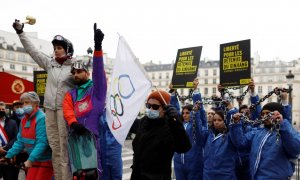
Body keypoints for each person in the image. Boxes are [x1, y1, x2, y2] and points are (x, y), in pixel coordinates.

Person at [12, 19, 75, 180]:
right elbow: (33, 51)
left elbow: (86, 85)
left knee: (64, 147)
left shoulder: (74, 67)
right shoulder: (50, 64)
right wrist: (21, 32)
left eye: (59, 48)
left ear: (68, 49)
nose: (56, 51)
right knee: (55, 147)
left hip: (64, 110)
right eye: (55, 48)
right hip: (50, 109)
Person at [63, 23, 106, 179]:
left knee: (95, 175)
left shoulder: (97, 91)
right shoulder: (71, 94)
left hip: (95, 142)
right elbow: (67, 110)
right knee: (77, 176)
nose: (75, 74)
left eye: (79, 71)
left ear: (87, 73)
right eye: (73, 72)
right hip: (76, 141)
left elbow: (99, 72)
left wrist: (98, 47)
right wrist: (73, 123)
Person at [129, 90, 191, 180]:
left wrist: (176, 122)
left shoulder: (170, 126)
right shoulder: (143, 121)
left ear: (165, 108)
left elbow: (183, 147)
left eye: (155, 106)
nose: (150, 109)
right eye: (148, 105)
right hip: (137, 175)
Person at [230, 102, 300, 179]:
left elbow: (296, 149)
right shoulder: (257, 132)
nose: (264, 116)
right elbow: (240, 143)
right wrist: (236, 124)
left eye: (268, 113)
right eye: (263, 114)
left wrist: (282, 124)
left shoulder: (285, 132)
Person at [4, 92, 53, 180]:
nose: (24, 106)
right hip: (33, 160)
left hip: (45, 162)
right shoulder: (23, 120)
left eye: (27, 102)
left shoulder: (42, 118)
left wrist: (30, 160)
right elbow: (20, 141)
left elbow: (42, 143)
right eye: (23, 103)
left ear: (36, 104)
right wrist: (8, 155)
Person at [201, 110, 239, 179]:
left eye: (219, 120)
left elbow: (238, 141)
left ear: (225, 121)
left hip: (225, 175)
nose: (216, 122)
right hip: (208, 174)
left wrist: (232, 111)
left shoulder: (230, 135)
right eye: (214, 120)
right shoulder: (209, 134)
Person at [0, 102, 19, 180]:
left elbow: (16, 138)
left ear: (6, 110)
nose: (1, 111)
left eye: (3, 109)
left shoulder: (12, 122)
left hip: (8, 153)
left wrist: (5, 148)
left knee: (9, 177)